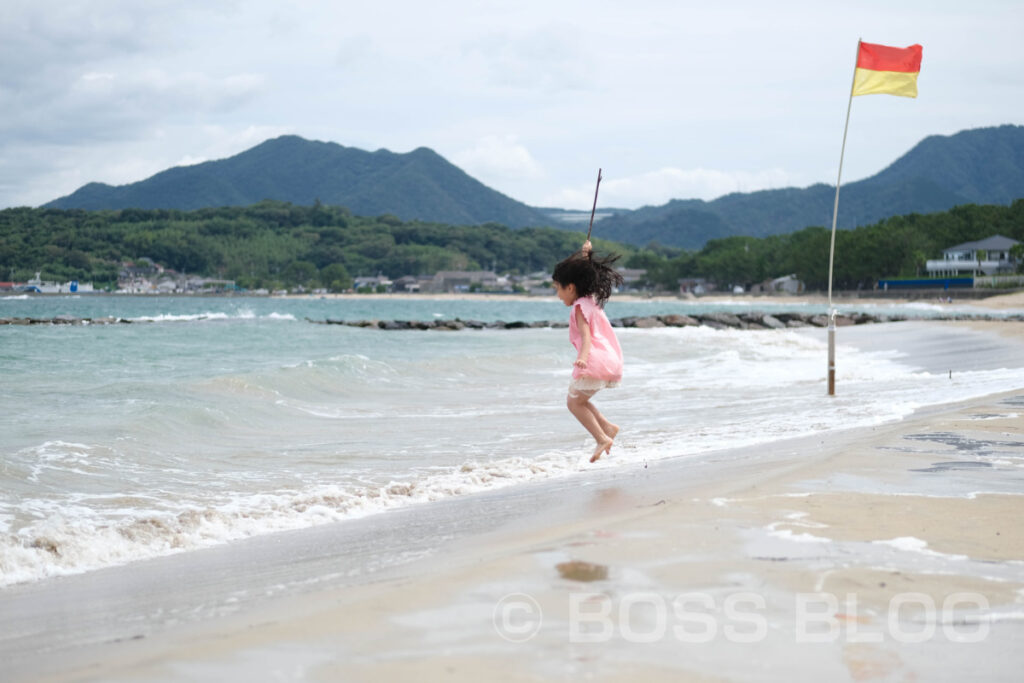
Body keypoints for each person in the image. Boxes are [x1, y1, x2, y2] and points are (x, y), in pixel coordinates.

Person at [551, 240, 625, 462]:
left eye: (558, 289)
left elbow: (586, 336)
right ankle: (607, 427)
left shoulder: (579, 307)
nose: (558, 295)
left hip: (595, 359)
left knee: (574, 403)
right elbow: (586, 274)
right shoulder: (589, 298)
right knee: (580, 400)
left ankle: (602, 438)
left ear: (571, 287)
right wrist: (586, 255)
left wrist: (582, 358)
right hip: (610, 359)